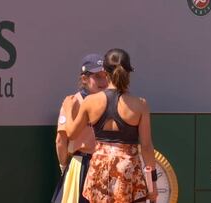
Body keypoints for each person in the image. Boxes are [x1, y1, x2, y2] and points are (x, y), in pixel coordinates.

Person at [63, 48, 158, 202]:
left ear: (105, 72)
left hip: (98, 171)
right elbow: (146, 147)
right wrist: (152, 184)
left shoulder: (90, 102)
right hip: (128, 173)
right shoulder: (140, 104)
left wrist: (68, 110)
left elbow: (71, 134)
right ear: (128, 73)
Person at [51, 53, 108, 203]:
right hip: (82, 167)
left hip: (106, 166)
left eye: (105, 76)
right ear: (84, 78)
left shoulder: (110, 101)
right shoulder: (72, 102)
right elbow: (60, 141)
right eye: (98, 77)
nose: (103, 81)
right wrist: (64, 166)